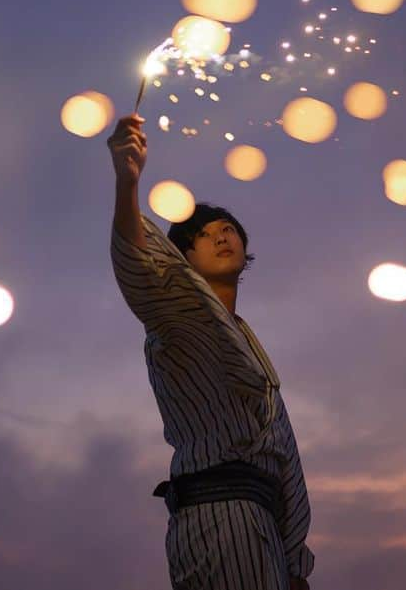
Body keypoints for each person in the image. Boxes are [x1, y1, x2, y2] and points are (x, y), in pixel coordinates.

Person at [107, 112, 314, 590]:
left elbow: (283, 453)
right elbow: (139, 264)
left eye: (227, 229)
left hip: (264, 525)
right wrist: (127, 182)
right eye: (203, 234)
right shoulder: (177, 315)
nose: (221, 235)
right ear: (179, 259)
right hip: (218, 512)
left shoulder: (245, 339)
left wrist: (293, 564)